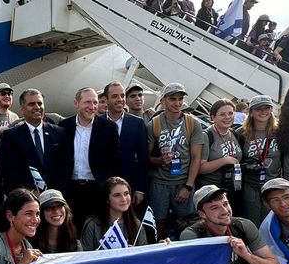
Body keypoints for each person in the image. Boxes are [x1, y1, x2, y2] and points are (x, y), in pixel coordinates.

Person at [146, 82, 206, 237]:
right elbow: (147, 158)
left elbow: (196, 157)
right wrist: (160, 160)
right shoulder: (154, 124)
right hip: (160, 182)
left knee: (187, 223)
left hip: (183, 182)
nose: (177, 103)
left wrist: (188, 187)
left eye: (180, 99)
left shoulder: (192, 123)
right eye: (173, 99)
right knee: (157, 224)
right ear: (163, 101)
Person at [61, 87, 120, 227]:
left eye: (95, 102)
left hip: (97, 189)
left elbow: (115, 160)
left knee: (97, 229)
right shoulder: (64, 126)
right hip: (70, 189)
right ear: (76, 104)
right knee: (71, 229)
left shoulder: (108, 127)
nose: (92, 107)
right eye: (87, 102)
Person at [0, 88, 65, 194]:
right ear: (22, 109)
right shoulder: (11, 136)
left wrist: (57, 194)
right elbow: (9, 172)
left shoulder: (59, 133)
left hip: (56, 198)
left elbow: (65, 167)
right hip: (27, 200)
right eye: (31, 104)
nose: (37, 107)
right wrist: (30, 193)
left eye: (40, 103)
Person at [238, 95, 281, 226]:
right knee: (252, 223)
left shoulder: (279, 131)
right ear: (250, 113)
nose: (263, 112)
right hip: (250, 185)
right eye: (258, 109)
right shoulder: (241, 133)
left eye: (266, 108)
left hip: (273, 184)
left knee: (270, 223)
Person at [104, 81, 149, 204]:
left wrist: (140, 189)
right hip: (104, 188)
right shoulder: (97, 122)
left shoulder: (137, 123)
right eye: (115, 96)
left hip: (130, 187)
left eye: (122, 96)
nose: (120, 99)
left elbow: (143, 159)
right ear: (106, 99)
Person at [197, 100, 244, 212]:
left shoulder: (234, 133)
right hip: (211, 192)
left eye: (230, 113)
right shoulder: (206, 136)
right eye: (222, 114)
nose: (227, 117)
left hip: (231, 188)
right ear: (213, 117)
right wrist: (225, 160)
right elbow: (200, 168)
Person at [80, 177, 148, 250]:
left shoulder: (136, 224)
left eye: (126, 193)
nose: (124, 199)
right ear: (107, 199)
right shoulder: (92, 224)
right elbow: (84, 256)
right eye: (117, 195)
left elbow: (144, 255)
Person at [33, 188, 79, 253]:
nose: (56, 211)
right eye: (49, 207)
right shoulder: (29, 244)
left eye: (60, 205)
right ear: (40, 213)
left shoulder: (75, 244)